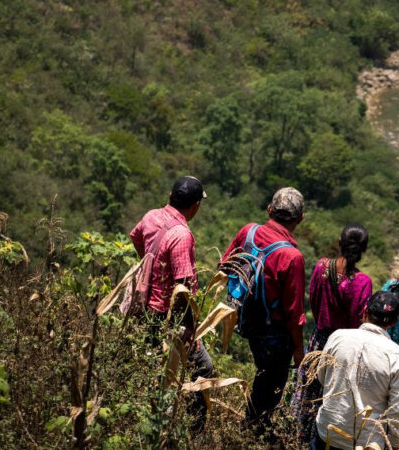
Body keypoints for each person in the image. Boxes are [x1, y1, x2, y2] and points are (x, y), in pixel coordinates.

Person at [128, 175, 213, 433]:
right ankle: (192, 431)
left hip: (144, 309)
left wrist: (152, 269)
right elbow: (183, 288)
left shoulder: (152, 215)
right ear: (196, 205)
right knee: (203, 368)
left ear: (170, 196)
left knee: (153, 369)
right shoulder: (182, 235)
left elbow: (136, 238)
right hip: (167, 318)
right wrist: (189, 331)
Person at [221, 187, 307, 437]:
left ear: (270, 210)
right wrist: (299, 349)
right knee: (270, 390)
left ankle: (252, 429)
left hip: (246, 320)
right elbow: (295, 314)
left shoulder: (248, 231)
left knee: (263, 379)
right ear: (300, 219)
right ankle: (249, 435)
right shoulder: (292, 256)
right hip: (275, 334)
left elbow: (225, 266)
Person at [293, 224, 374, 441]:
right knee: (334, 397)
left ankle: (299, 438)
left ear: (340, 243)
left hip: (319, 341)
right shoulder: (363, 282)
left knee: (309, 394)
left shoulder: (321, 267)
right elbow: (360, 321)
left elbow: (314, 301)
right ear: (363, 250)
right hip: (345, 349)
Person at [314, 290, 399, 450]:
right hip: (367, 442)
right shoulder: (398, 355)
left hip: (328, 433)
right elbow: (398, 411)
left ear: (365, 310)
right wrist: (394, 444)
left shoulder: (338, 337)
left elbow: (322, 377)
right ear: (394, 322)